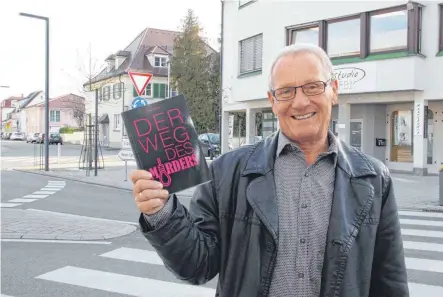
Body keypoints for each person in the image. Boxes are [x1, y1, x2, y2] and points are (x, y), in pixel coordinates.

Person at [130, 43, 409, 297]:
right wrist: (162, 213)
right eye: (286, 91)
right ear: (272, 100)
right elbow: (197, 265)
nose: (300, 102)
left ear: (333, 90)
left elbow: (389, 281)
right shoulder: (227, 173)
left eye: (313, 86)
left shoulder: (373, 178)